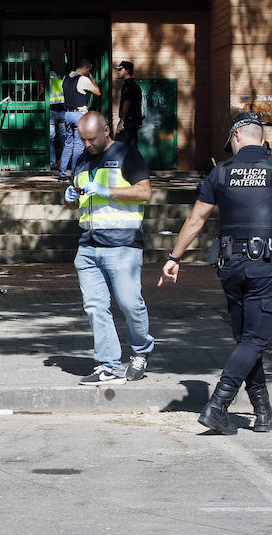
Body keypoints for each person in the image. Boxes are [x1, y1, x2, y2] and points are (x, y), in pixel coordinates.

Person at [159, 111, 272, 434]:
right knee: (256, 338)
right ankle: (218, 404)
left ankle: (263, 411)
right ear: (261, 138)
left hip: (230, 267)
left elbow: (195, 221)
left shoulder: (221, 172)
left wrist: (174, 256)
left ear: (236, 138)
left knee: (247, 340)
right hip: (264, 266)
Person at [64, 112, 155, 385]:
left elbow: (144, 192)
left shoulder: (127, 154)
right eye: (82, 140)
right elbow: (81, 197)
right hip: (89, 245)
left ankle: (141, 351)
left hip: (122, 244)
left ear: (106, 130)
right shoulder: (81, 160)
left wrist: (107, 191)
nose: (87, 144)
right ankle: (109, 365)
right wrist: (70, 197)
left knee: (130, 303)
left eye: (91, 139)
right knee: (95, 307)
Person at [58, 58, 101, 181]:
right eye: (89, 70)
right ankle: (75, 174)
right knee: (78, 146)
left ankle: (62, 174)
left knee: (67, 145)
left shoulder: (65, 78)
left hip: (67, 114)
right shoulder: (83, 79)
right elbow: (98, 92)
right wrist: (92, 79)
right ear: (86, 68)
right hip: (79, 115)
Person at [114, 61, 143, 150]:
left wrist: (122, 121)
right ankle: (137, 164)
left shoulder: (128, 85)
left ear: (127, 71)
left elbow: (127, 102)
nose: (118, 71)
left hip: (128, 122)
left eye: (120, 69)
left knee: (117, 147)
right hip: (134, 121)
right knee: (132, 148)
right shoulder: (134, 85)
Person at [48, 65, 66, 170]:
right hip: (62, 111)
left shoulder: (47, 81)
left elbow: (41, 93)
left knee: (51, 139)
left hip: (51, 111)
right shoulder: (60, 80)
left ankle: (52, 163)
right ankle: (66, 163)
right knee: (63, 139)